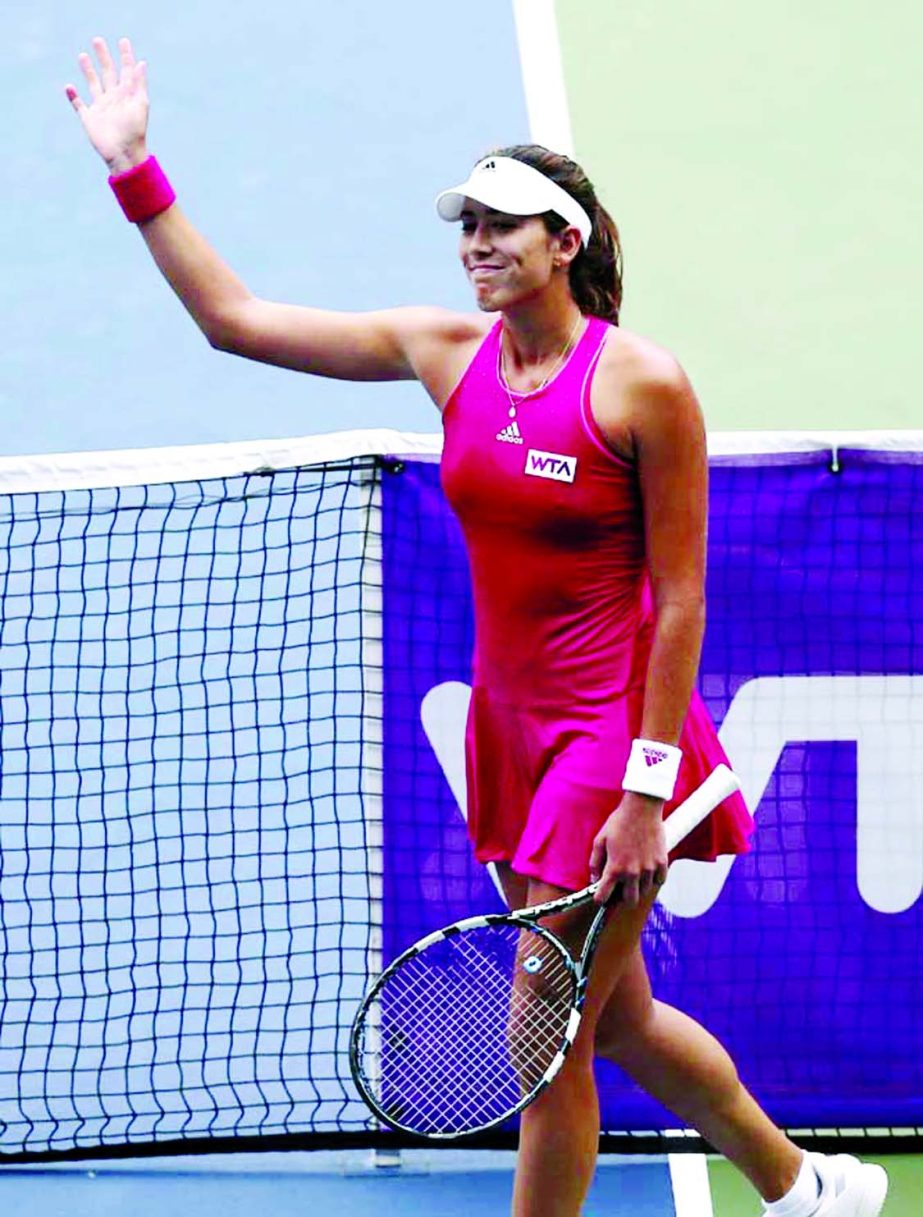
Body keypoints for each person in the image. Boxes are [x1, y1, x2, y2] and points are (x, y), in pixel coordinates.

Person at [65, 37, 888, 1217]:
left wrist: (645, 790)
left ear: (566, 243)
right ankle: (805, 1185)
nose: (476, 246)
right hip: (509, 734)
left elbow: (681, 598)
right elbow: (234, 321)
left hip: (610, 744)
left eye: (503, 226)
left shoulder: (639, 384)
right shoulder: (443, 354)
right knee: (620, 1016)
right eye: (467, 225)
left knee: (540, 1041)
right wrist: (135, 170)